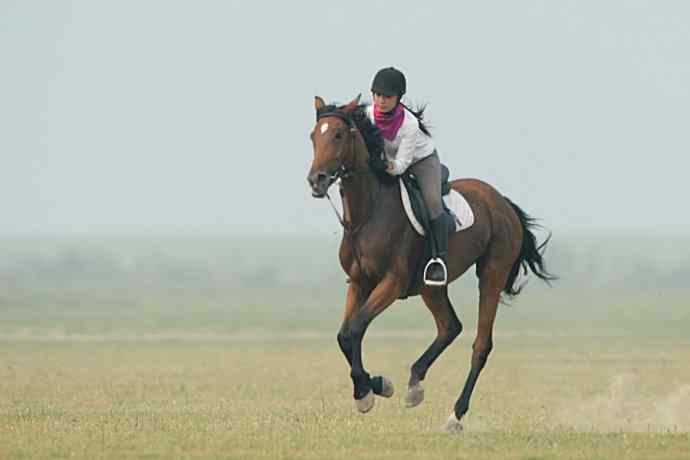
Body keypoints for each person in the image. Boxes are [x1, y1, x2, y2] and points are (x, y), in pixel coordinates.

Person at [367, 67, 449, 286]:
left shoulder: (409, 124)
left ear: (399, 97)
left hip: (421, 162)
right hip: (389, 161)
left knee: (432, 202)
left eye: (387, 96)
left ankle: (437, 259)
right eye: (376, 95)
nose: (380, 101)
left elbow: (402, 165)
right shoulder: (367, 114)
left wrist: (384, 164)